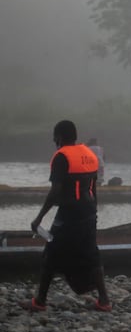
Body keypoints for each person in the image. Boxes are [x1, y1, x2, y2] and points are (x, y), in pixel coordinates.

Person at [23, 120, 112, 312]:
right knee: (92, 254)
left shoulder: (61, 157)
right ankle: (104, 300)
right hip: (89, 212)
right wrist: (93, 212)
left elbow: (56, 191)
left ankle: (39, 301)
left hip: (69, 214)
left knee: (50, 252)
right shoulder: (89, 154)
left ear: (60, 137)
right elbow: (92, 188)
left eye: (55, 137)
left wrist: (39, 218)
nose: (54, 141)